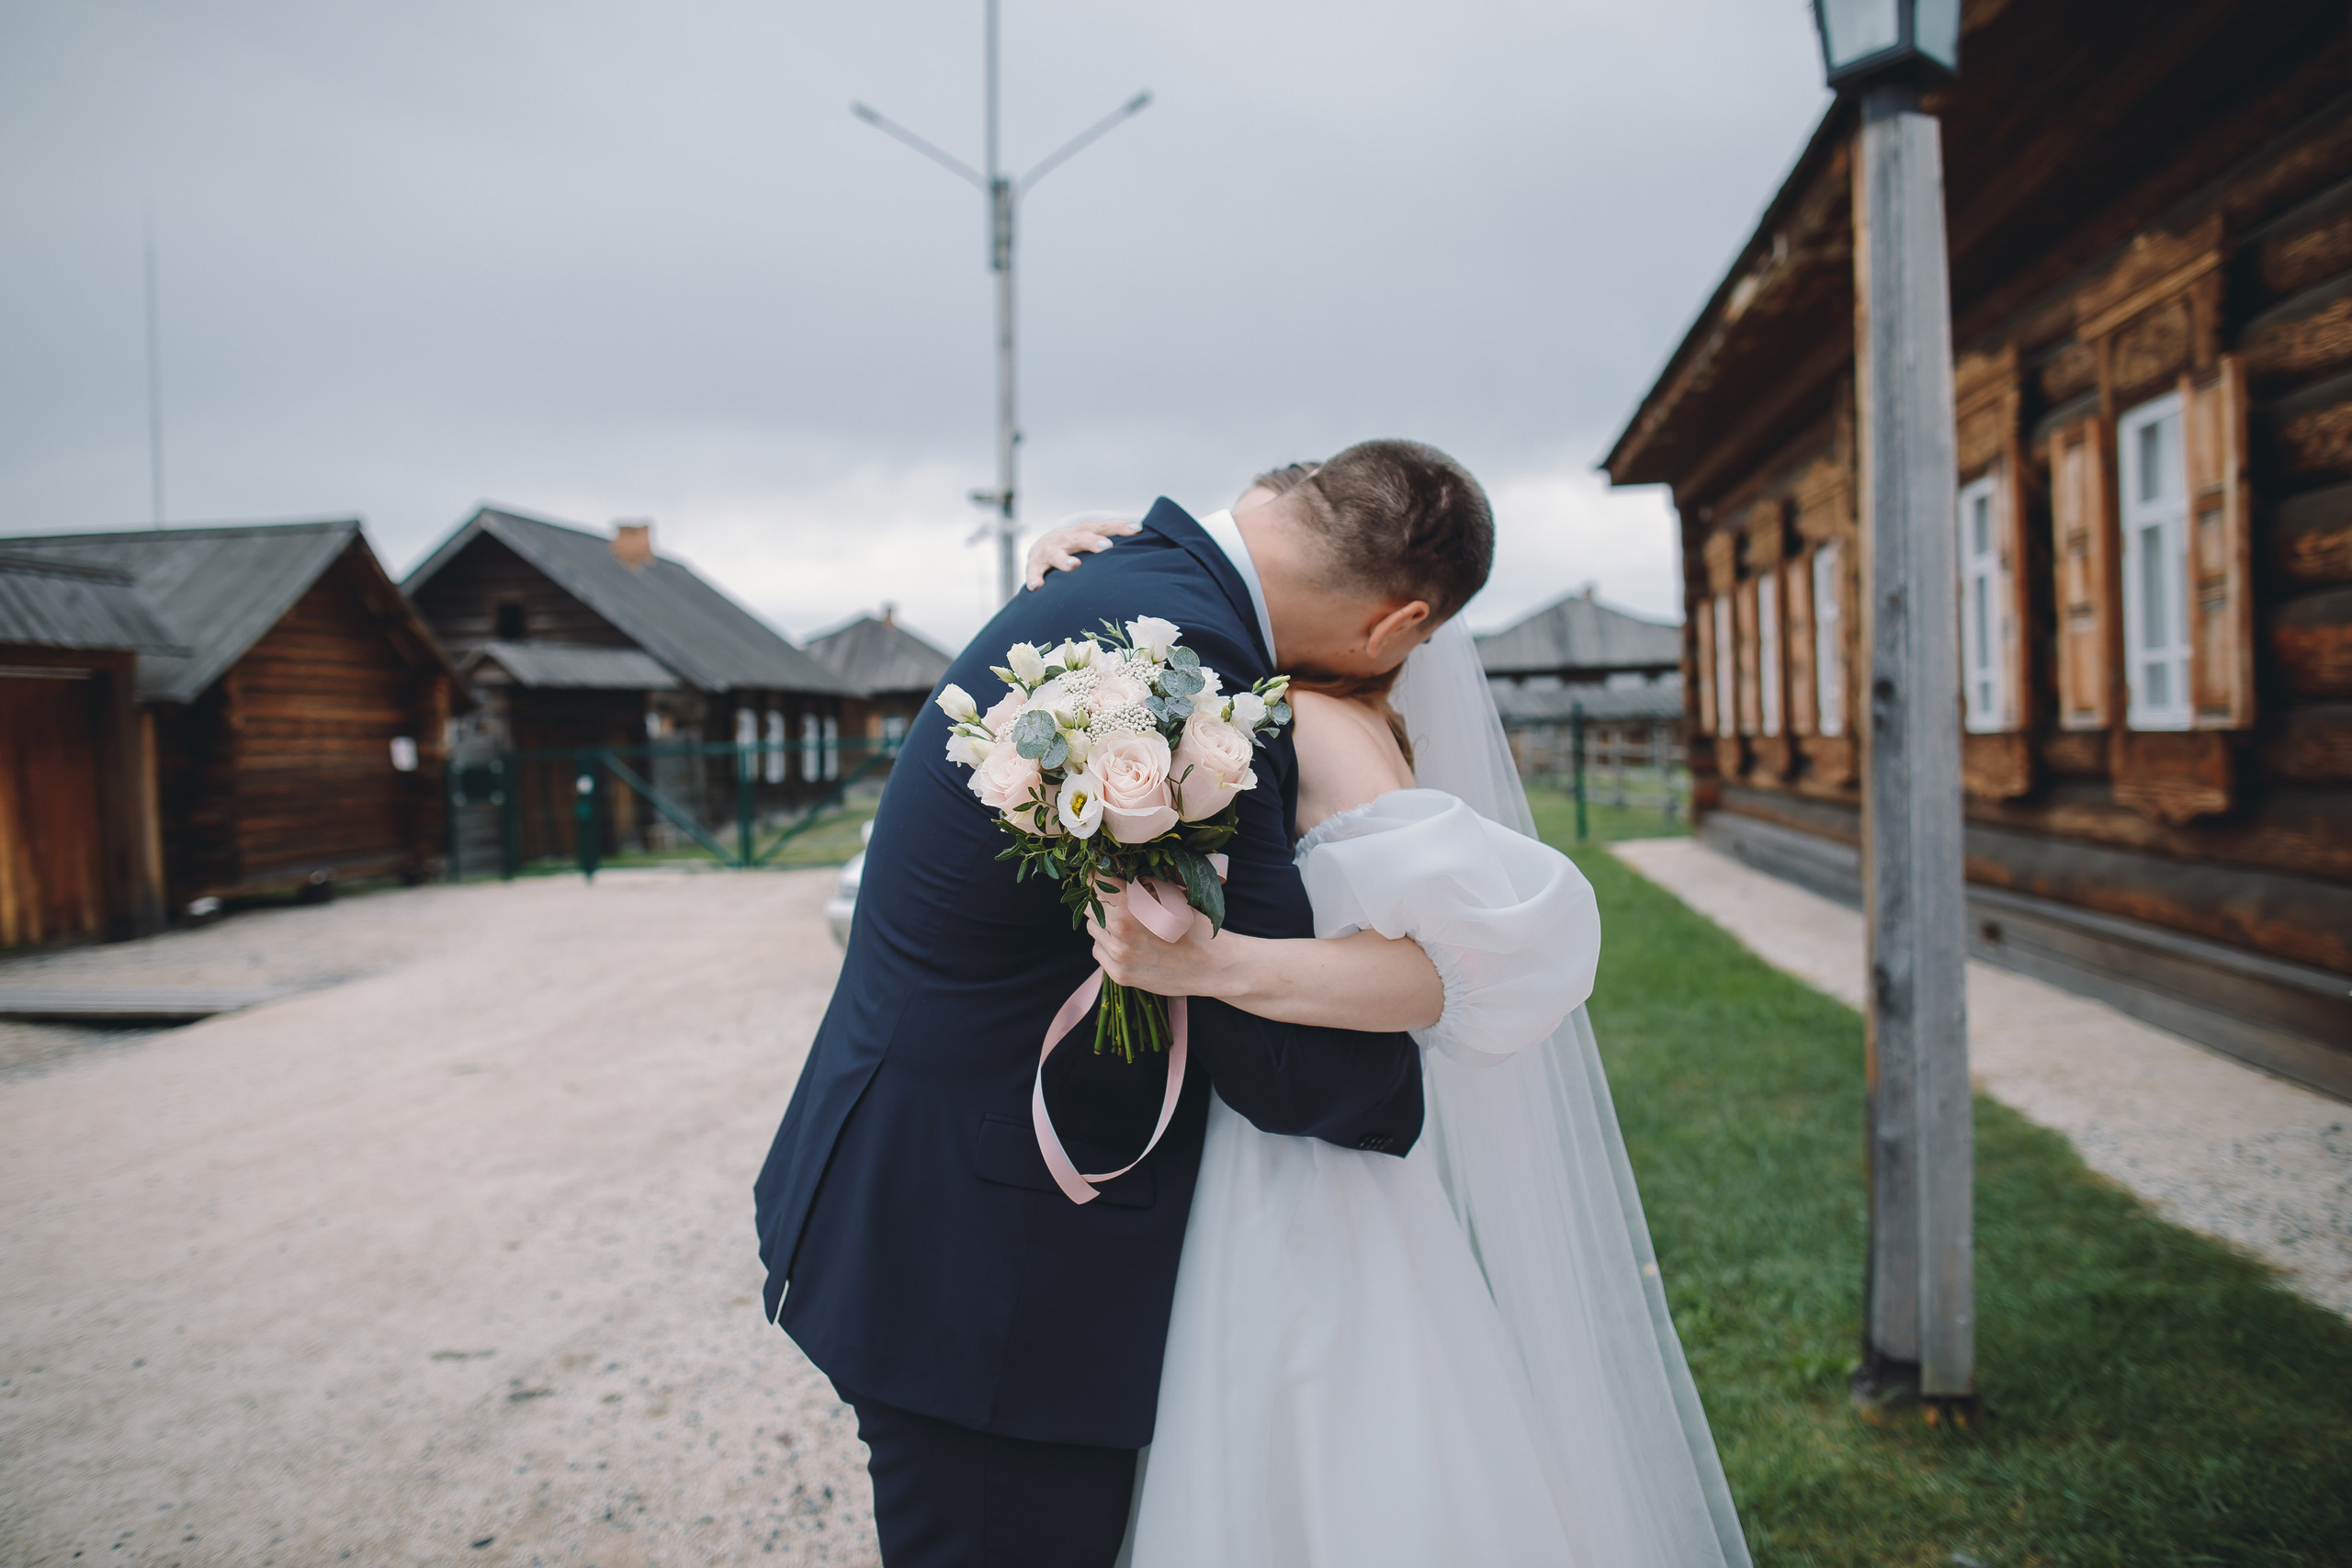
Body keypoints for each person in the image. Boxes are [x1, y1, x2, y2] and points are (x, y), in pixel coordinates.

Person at [752, 440, 1493, 1568]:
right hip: (986, 1263)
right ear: (1398, 626)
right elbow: (1283, 1061)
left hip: (914, 1179)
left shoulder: (1130, 580)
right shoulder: (1190, 678)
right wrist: (1414, 1061)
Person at [1033, 477, 1753, 1567]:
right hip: (1265, 1135)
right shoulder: (1283, 700)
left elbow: (1480, 959)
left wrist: (1214, 966)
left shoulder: (1318, 722)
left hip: (1294, 1166)